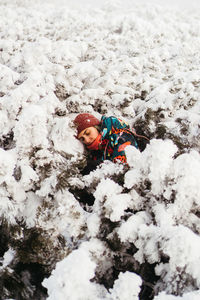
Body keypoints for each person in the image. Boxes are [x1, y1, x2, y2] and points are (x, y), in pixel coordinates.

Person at [73, 113, 149, 175]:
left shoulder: (120, 136)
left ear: (96, 127)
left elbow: (122, 169)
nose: (87, 140)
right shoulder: (96, 151)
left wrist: (97, 167)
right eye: (82, 139)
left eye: (88, 133)